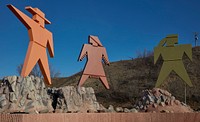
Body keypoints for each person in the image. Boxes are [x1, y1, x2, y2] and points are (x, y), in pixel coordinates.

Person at [7, 5, 54, 85]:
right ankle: (24, 78)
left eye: (36, 16)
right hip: (35, 45)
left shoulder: (48, 33)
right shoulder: (34, 25)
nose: (35, 17)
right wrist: (13, 8)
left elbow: (51, 48)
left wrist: (51, 53)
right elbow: (22, 16)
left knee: (46, 72)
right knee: (26, 70)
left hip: (42, 49)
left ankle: (48, 81)